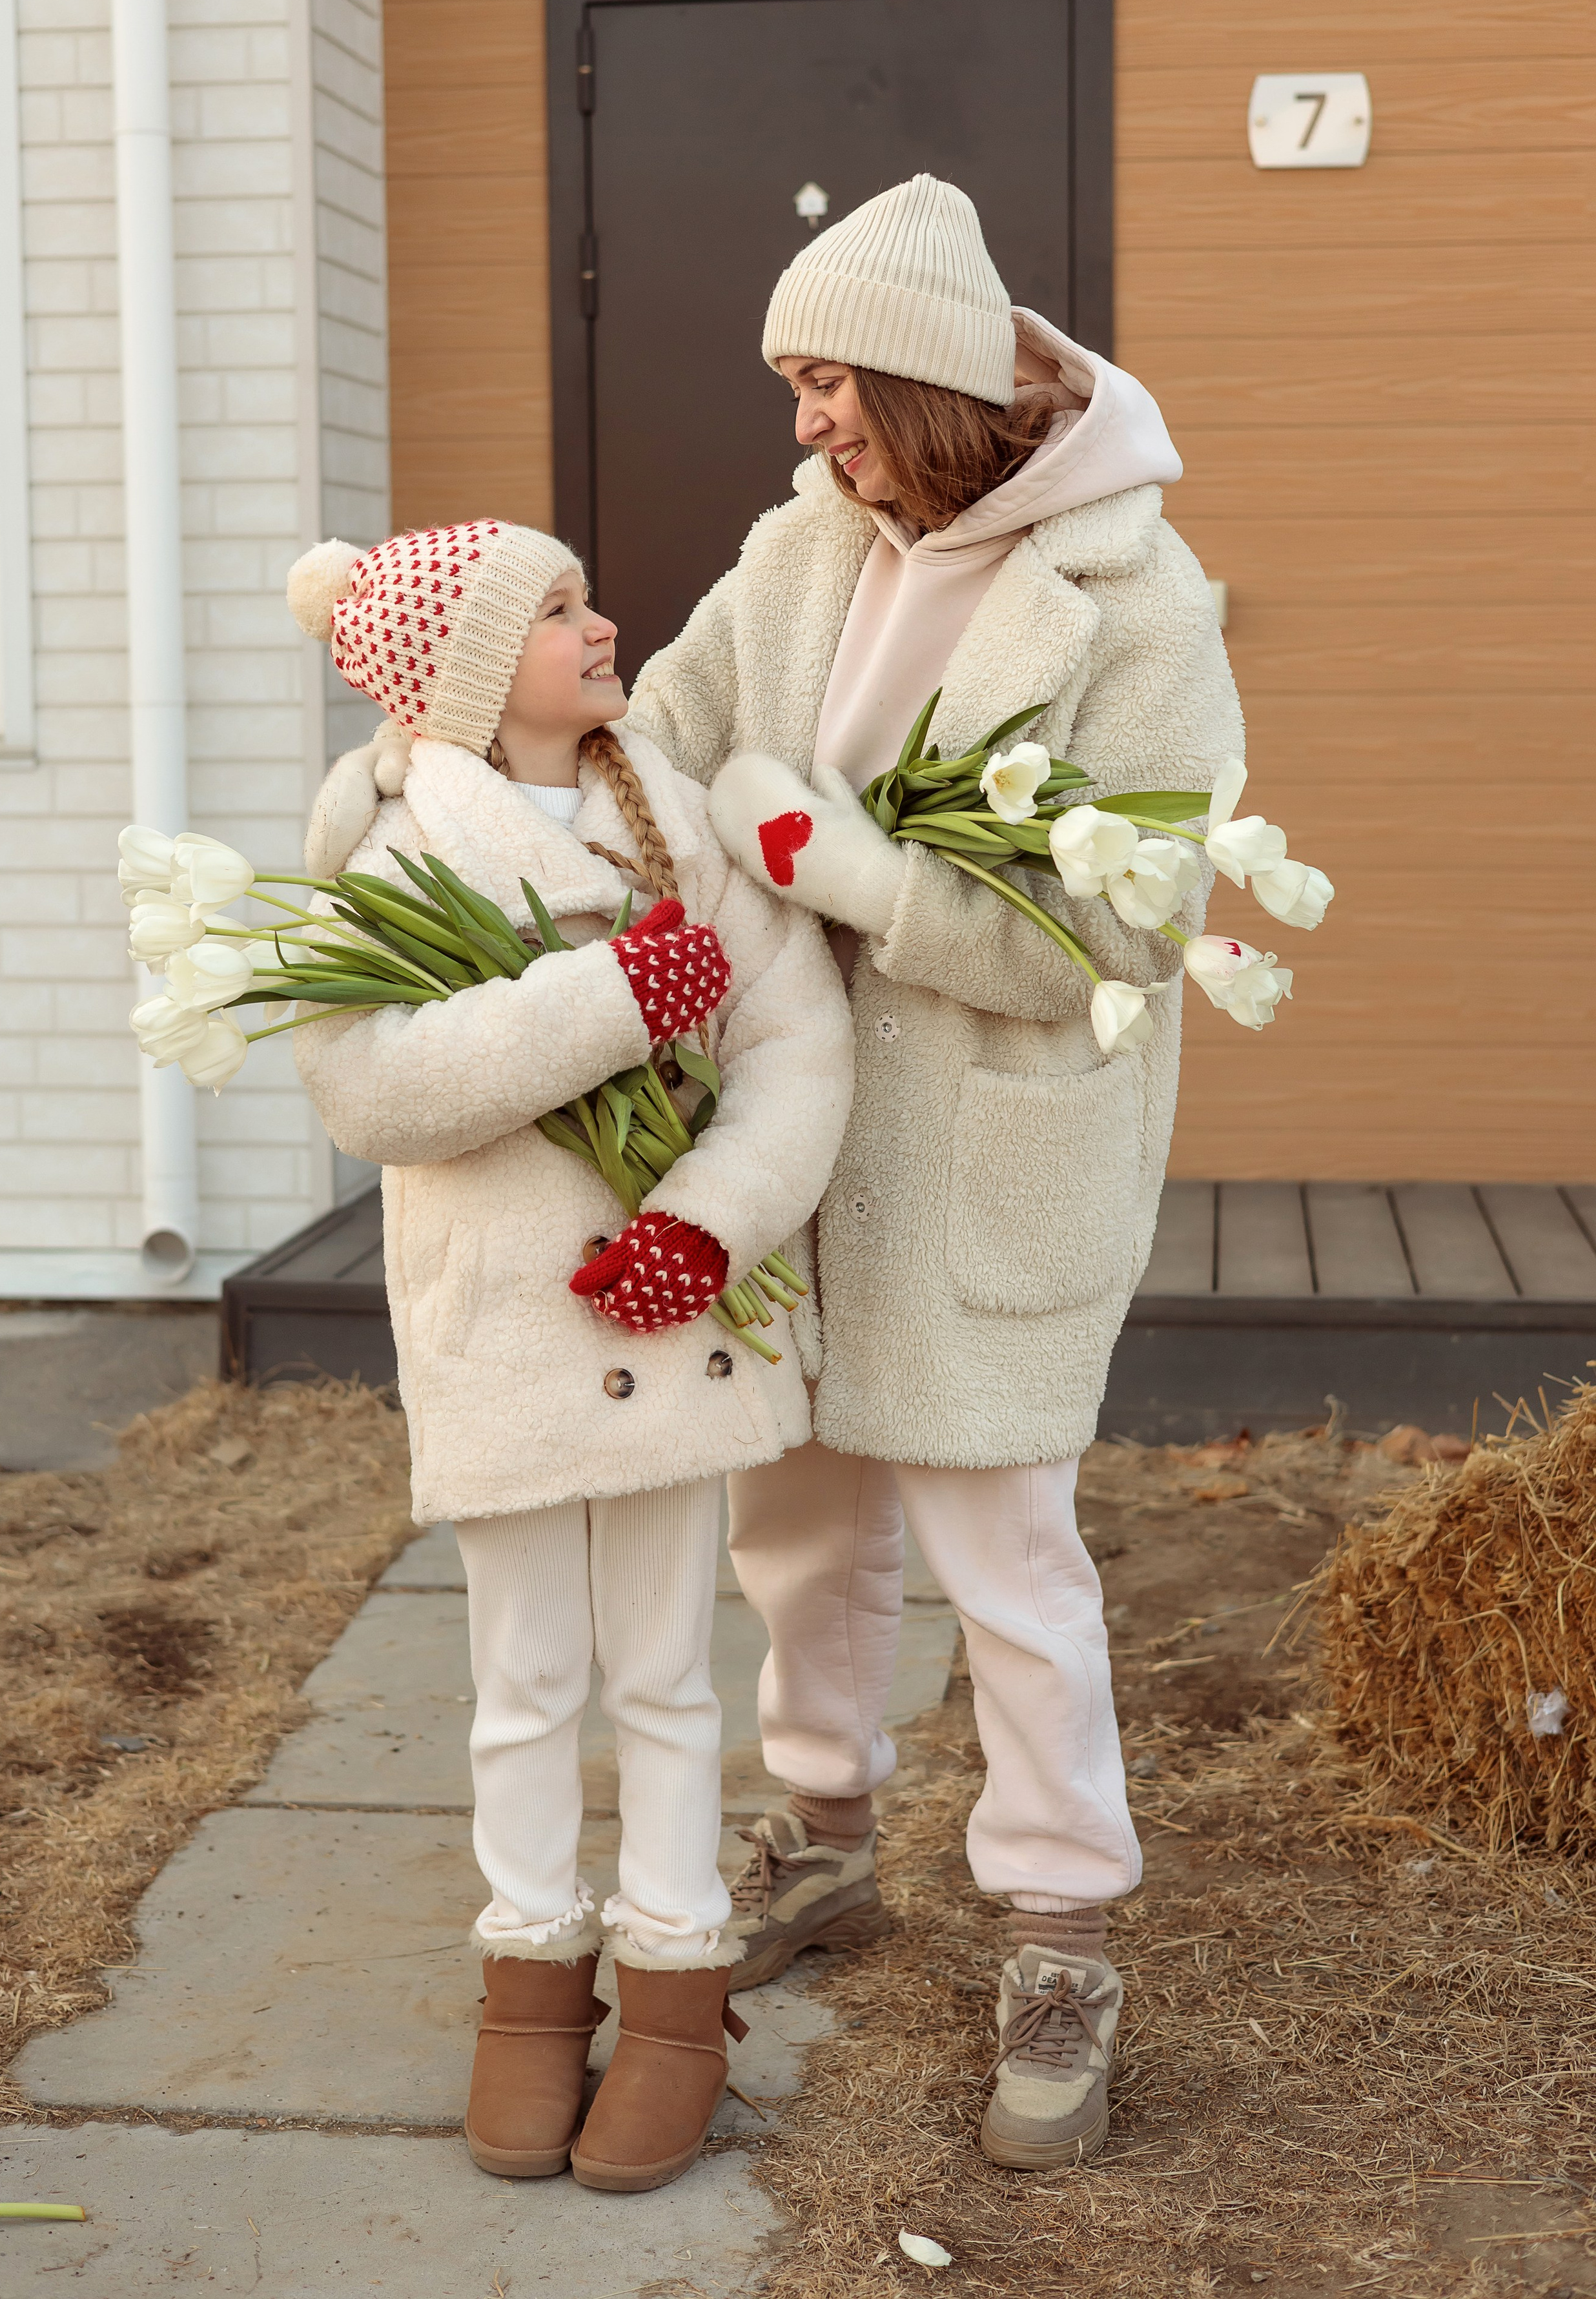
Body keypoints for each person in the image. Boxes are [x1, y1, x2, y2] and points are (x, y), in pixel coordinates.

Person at [627, 176, 1245, 2173]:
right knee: (795, 1530)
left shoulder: (1140, 609)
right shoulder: (803, 549)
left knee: (1010, 1572)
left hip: (990, 1158)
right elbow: (666, 738)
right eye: (796, 384)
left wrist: (840, 868)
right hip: (795, 1138)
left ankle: (1063, 1936)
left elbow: (1126, 934)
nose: (805, 422)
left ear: (928, 382)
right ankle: (821, 1834)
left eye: (829, 381)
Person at [283, 519, 854, 2193]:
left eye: (586, 599)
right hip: (515, 1336)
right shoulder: (398, 849)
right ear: (470, 671)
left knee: (669, 1672)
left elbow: (796, 1043)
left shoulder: (674, 817)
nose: (606, 627)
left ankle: (677, 1991)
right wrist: (610, 999)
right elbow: (375, 1083)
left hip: (667, 1320)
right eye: (558, 612)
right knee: (528, 1679)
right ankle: (530, 1987)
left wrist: (711, 1222)